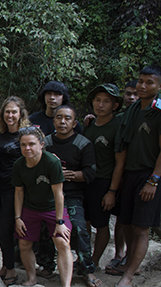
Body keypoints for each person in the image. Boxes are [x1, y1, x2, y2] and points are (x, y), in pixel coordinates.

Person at [38, 105, 99, 287]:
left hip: (72, 196)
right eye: (58, 118)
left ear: (74, 123)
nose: (62, 121)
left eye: (67, 118)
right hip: (46, 196)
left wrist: (70, 174)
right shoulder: (45, 142)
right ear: (53, 120)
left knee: (79, 230)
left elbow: (90, 172)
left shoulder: (83, 143)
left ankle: (86, 270)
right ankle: (47, 266)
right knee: (44, 229)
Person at [113, 65, 161, 287]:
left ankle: (128, 276)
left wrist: (154, 180)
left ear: (159, 86)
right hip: (130, 174)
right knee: (128, 223)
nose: (142, 86)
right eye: (141, 81)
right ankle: (131, 264)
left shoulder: (158, 111)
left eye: (149, 82)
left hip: (149, 175)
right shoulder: (132, 112)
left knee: (141, 227)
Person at [13, 126, 73, 287]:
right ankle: (32, 278)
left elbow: (58, 194)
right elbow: (19, 193)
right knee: (24, 243)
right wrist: (18, 218)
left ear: (41, 144)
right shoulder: (19, 165)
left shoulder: (51, 162)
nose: (27, 148)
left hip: (53, 208)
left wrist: (60, 222)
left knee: (62, 242)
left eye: (31, 144)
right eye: (23, 145)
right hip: (30, 207)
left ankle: (66, 284)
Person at [82, 84, 123, 270]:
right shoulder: (89, 125)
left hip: (104, 181)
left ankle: (95, 260)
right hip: (85, 181)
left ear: (115, 105)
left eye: (106, 101)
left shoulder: (117, 126)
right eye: (98, 100)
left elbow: (120, 162)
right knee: (86, 221)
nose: (101, 104)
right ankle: (84, 258)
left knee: (101, 224)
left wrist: (112, 191)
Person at [0, 96, 31, 286]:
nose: (10, 115)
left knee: (6, 230)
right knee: (4, 230)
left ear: (21, 114)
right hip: (2, 187)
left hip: (19, 189)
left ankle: (12, 268)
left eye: (14, 111)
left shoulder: (26, 135)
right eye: (7, 111)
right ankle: (7, 265)